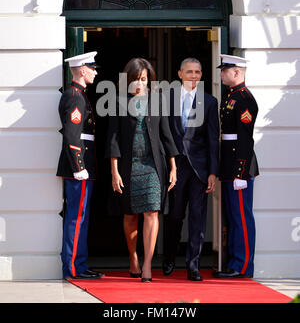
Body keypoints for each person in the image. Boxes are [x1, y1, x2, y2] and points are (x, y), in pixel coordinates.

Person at [106, 58, 178, 282]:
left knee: (152, 212)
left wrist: (173, 166)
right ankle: (133, 257)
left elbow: (167, 136)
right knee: (130, 215)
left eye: (144, 80)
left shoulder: (158, 101)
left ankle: (147, 264)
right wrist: (114, 171)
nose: (140, 84)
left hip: (153, 166)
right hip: (129, 166)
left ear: (150, 80)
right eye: (136, 80)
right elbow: (113, 139)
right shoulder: (118, 102)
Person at [163, 58, 220, 281]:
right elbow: (162, 134)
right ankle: (169, 258)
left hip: (200, 169)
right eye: (189, 72)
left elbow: (213, 139)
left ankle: (193, 266)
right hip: (175, 167)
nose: (194, 76)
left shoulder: (209, 101)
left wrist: (213, 172)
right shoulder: (166, 99)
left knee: (198, 217)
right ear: (180, 74)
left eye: (197, 72)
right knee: (175, 216)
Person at [57, 51, 104, 279]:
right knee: (76, 219)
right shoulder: (75, 96)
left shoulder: (80, 95)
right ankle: (74, 268)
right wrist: (78, 167)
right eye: (92, 68)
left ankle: (80, 264)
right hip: (79, 167)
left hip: (84, 166)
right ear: (83, 70)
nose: (95, 72)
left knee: (81, 218)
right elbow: (72, 136)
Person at [213, 54, 259, 278]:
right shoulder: (231, 96)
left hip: (239, 166)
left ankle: (242, 267)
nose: (221, 73)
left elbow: (244, 139)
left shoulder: (245, 99)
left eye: (225, 70)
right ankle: (233, 262)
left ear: (237, 72)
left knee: (241, 216)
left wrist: (241, 172)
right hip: (229, 163)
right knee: (233, 216)